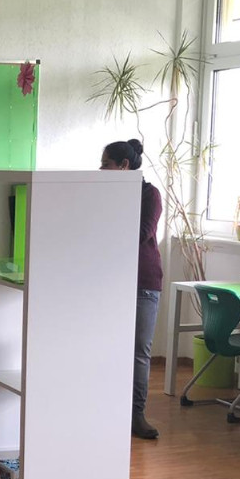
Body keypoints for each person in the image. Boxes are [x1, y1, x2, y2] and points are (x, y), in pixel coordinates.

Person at [100, 139, 163, 440]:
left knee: (139, 352)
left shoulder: (149, 194)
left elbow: (141, 233)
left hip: (142, 281)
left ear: (124, 165)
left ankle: (136, 415)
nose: (101, 170)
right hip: (111, 280)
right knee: (108, 347)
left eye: (106, 164)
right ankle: (110, 411)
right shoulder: (105, 195)